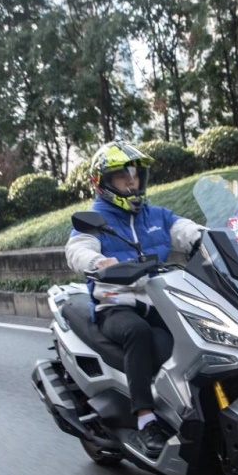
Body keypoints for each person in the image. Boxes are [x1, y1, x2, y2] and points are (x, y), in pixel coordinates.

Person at [66, 141, 202, 458]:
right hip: (115, 305)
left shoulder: (156, 216)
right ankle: (146, 419)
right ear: (103, 182)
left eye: (135, 175)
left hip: (160, 300)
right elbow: (77, 249)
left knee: (188, 335)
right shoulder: (95, 218)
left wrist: (214, 240)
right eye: (121, 176)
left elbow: (186, 229)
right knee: (139, 334)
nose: (131, 181)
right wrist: (97, 262)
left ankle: (190, 404)